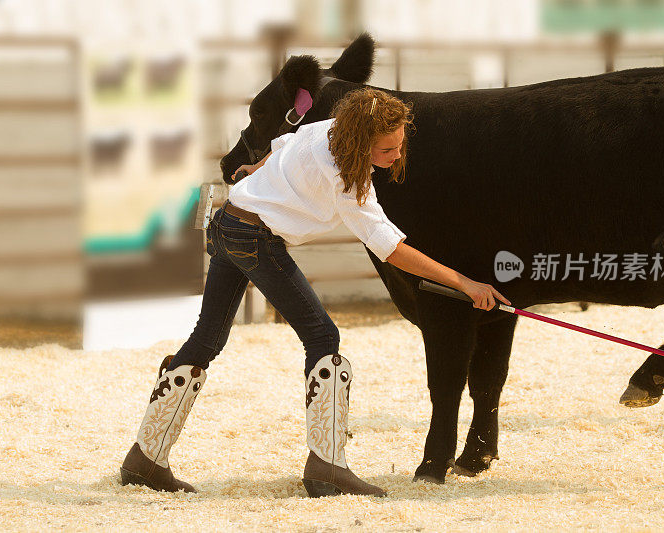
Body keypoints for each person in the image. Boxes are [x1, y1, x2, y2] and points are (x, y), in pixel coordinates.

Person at [119, 88, 510, 498]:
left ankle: (144, 458)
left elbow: (282, 144)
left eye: (399, 144)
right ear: (361, 143)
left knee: (207, 339)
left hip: (228, 222)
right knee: (323, 337)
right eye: (387, 148)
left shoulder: (329, 128)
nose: (395, 155)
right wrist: (464, 282)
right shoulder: (347, 174)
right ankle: (327, 467)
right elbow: (389, 247)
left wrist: (257, 169)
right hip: (255, 239)